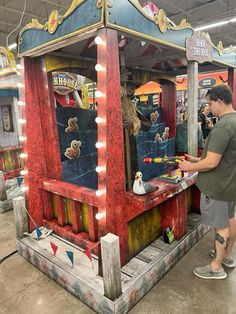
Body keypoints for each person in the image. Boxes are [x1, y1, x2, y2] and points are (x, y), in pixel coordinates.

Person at [179, 84, 236, 280]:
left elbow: (212, 162)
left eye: (210, 103)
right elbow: (226, 156)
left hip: (218, 187)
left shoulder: (223, 125)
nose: (209, 107)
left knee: (221, 226)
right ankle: (227, 256)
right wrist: (197, 160)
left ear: (220, 101)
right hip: (230, 184)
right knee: (230, 219)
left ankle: (215, 267)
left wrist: (189, 168)